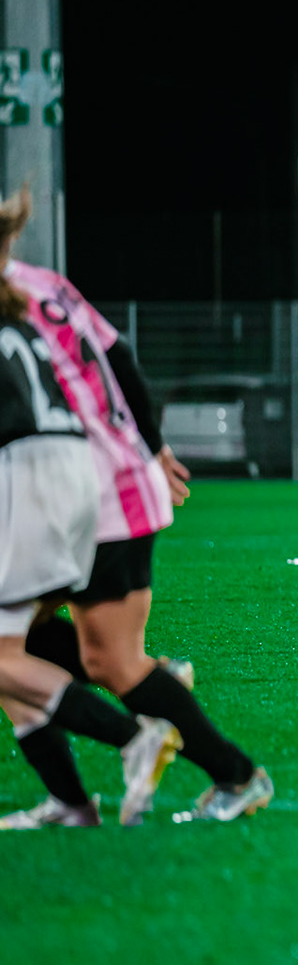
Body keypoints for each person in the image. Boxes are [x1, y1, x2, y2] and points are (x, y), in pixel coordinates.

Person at [0, 189, 188, 828]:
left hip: (42, 484)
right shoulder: (43, 285)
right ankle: (75, 797)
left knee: (21, 652)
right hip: (86, 473)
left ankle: (143, 720)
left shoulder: (16, 297)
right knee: (17, 650)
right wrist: (153, 446)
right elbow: (119, 357)